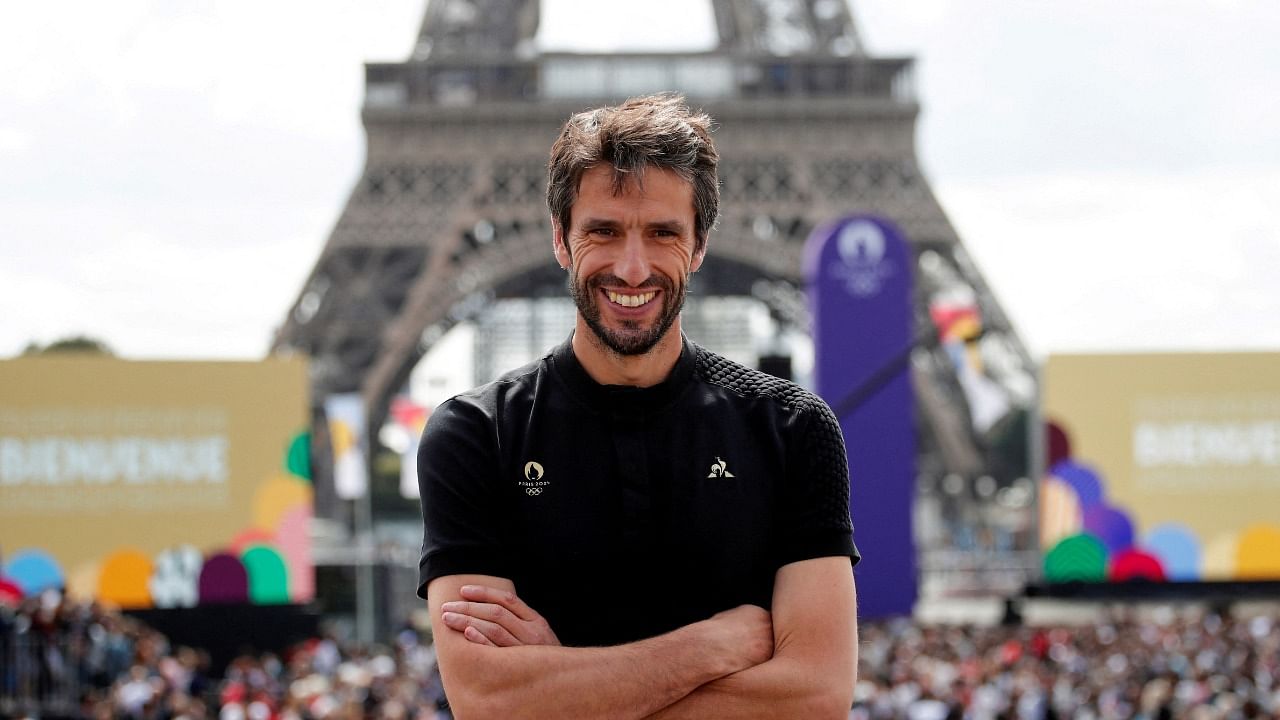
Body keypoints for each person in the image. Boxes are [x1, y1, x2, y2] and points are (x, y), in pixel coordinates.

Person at [416, 94, 859, 719]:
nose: (632, 267)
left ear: (699, 244)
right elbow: (488, 702)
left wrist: (562, 687)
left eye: (662, 233)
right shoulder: (473, 434)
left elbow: (815, 699)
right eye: (604, 231)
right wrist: (711, 647)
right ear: (561, 240)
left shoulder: (791, 428)